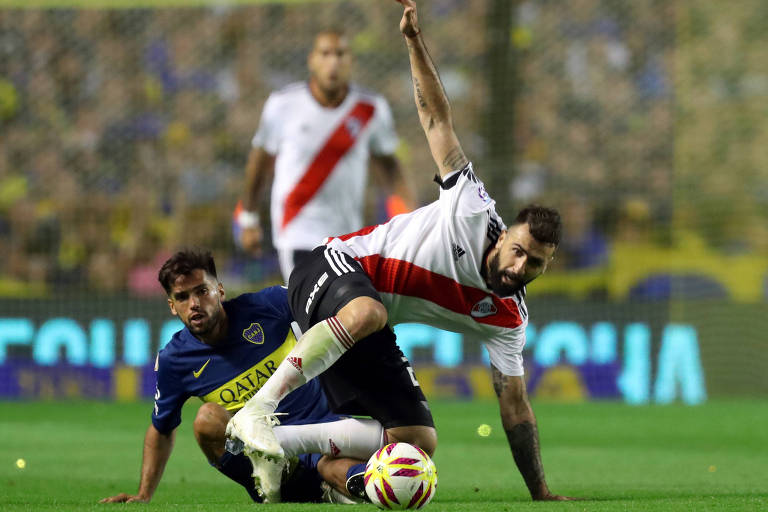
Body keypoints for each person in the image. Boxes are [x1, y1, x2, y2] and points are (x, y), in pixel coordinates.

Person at [228, 0, 576, 502]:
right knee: (368, 308)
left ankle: (277, 447)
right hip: (327, 265)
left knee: (416, 440)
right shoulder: (472, 207)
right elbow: (436, 119)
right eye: (518, 251)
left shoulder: (507, 318)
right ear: (503, 237)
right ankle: (260, 408)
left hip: (363, 322)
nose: (521, 267)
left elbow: (516, 407)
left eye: (536, 264)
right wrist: (414, 40)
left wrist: (540, 492)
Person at [99, 250, 386, 505]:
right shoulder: (176, 360)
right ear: (172, 306)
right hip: (269, 465)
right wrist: (143, 495)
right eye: (183, 297)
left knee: (339, 468)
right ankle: (288, 485)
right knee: (207, 419)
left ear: (220, 291)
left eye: (202, 291)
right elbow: (161, 429)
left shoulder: (270, 304)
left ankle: (351, 486)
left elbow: (326, 309)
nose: (194, 303)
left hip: (327, 434)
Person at [234, 28, 415, 282]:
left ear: (350, 60)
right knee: (324, 309)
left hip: (348, 237)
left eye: (340, 54)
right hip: (296, 233)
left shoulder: (370, 109)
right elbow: (259, 164)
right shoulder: (283, 105)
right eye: (325, 53)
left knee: (349, 316)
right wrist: (249, 218)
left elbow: (390, 169)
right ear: (312, 60)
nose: (333, 62)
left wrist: (409, 219)